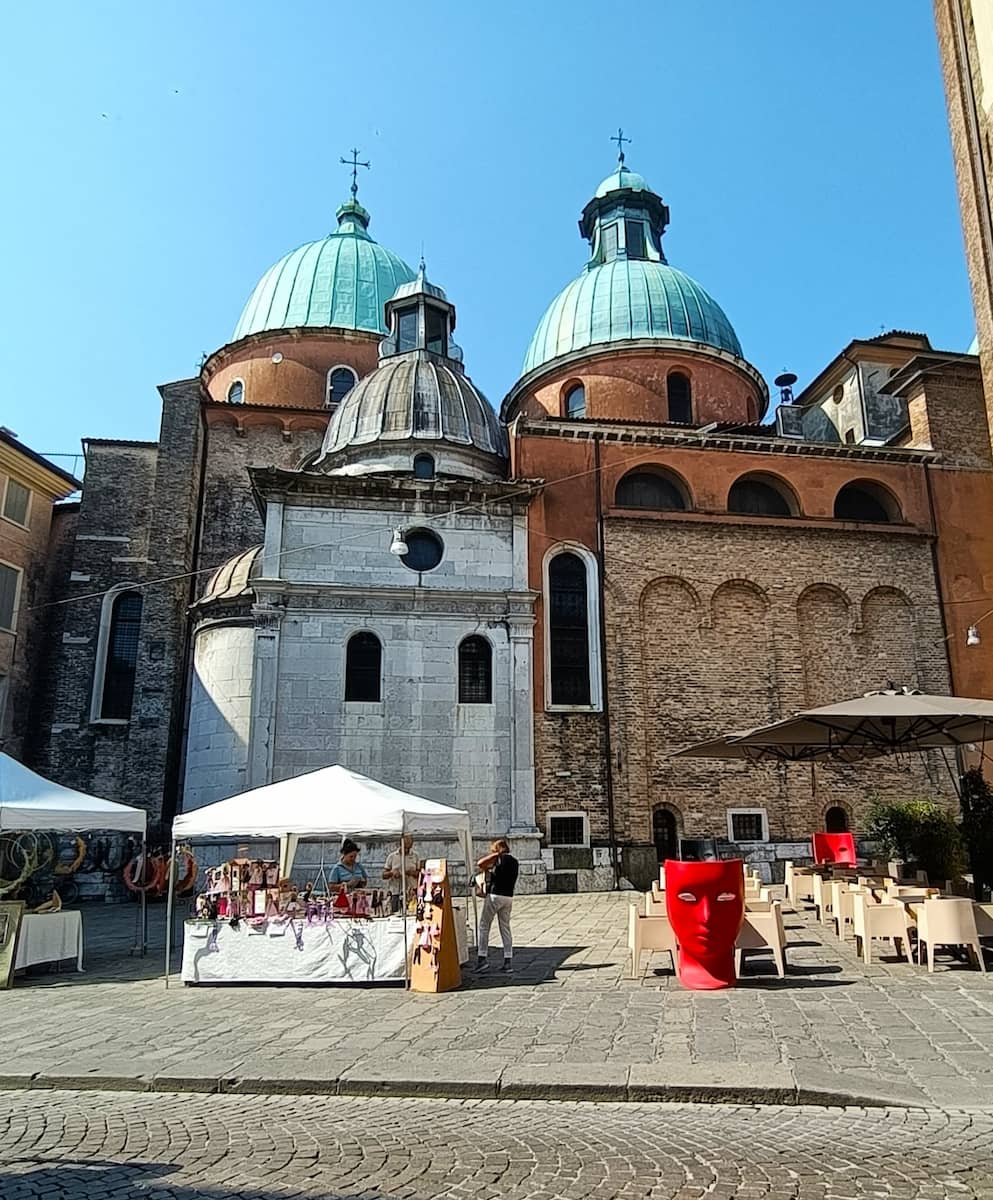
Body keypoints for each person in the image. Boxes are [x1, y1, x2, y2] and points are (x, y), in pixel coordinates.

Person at [474, 838, 518, 974]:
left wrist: (495, 854)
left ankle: (482, 959)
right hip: (508, 897)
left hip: (495, 895)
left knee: (484, 926)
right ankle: (508, 961)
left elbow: (480, 863)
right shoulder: (514, 862)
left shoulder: (499, 859)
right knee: (505, 928)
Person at [382, 833, 420, 911]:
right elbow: (383, 875)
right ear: (400, 843)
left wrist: (413, 873)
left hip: (412, 891)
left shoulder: (415, 856)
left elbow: (421, 874)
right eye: (405, 846)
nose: (406, 849)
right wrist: (392, 873)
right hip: (396, 891)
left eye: (408, 847)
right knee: (395, 912)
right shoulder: (392, 856)